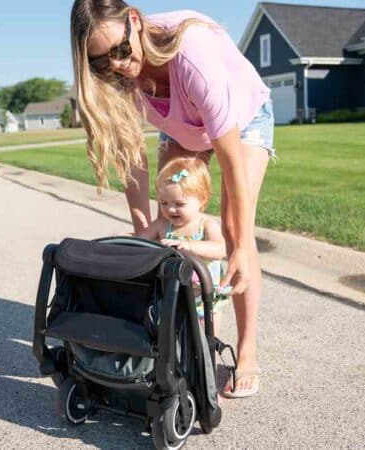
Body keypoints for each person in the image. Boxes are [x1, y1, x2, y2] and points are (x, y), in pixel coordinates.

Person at [71, 0, 274, 398]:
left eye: (120, 50)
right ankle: (178, 334)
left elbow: (230, 156)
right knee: (164, 233)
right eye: (99, 62)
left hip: (243, 121)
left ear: (134, 21)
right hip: (181, 126)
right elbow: (131, 156)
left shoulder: (192, 55)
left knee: (235, 232)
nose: (116, 65)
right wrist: (140, 236)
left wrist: (240, 246)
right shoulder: (117, 75)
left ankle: (247, 351)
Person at [138, 157, 230, 324]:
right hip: (171, 296)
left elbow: (220, 249)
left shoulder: (206, 225)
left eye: (179, 203)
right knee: (171, 338)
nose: (170, 209)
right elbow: (141, 242)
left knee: (209, 339)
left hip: (204, 299)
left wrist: (190, 245)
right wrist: (129, 239)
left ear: (202, 200)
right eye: (163, 203)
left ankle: (209, 350)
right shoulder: (162, 225)